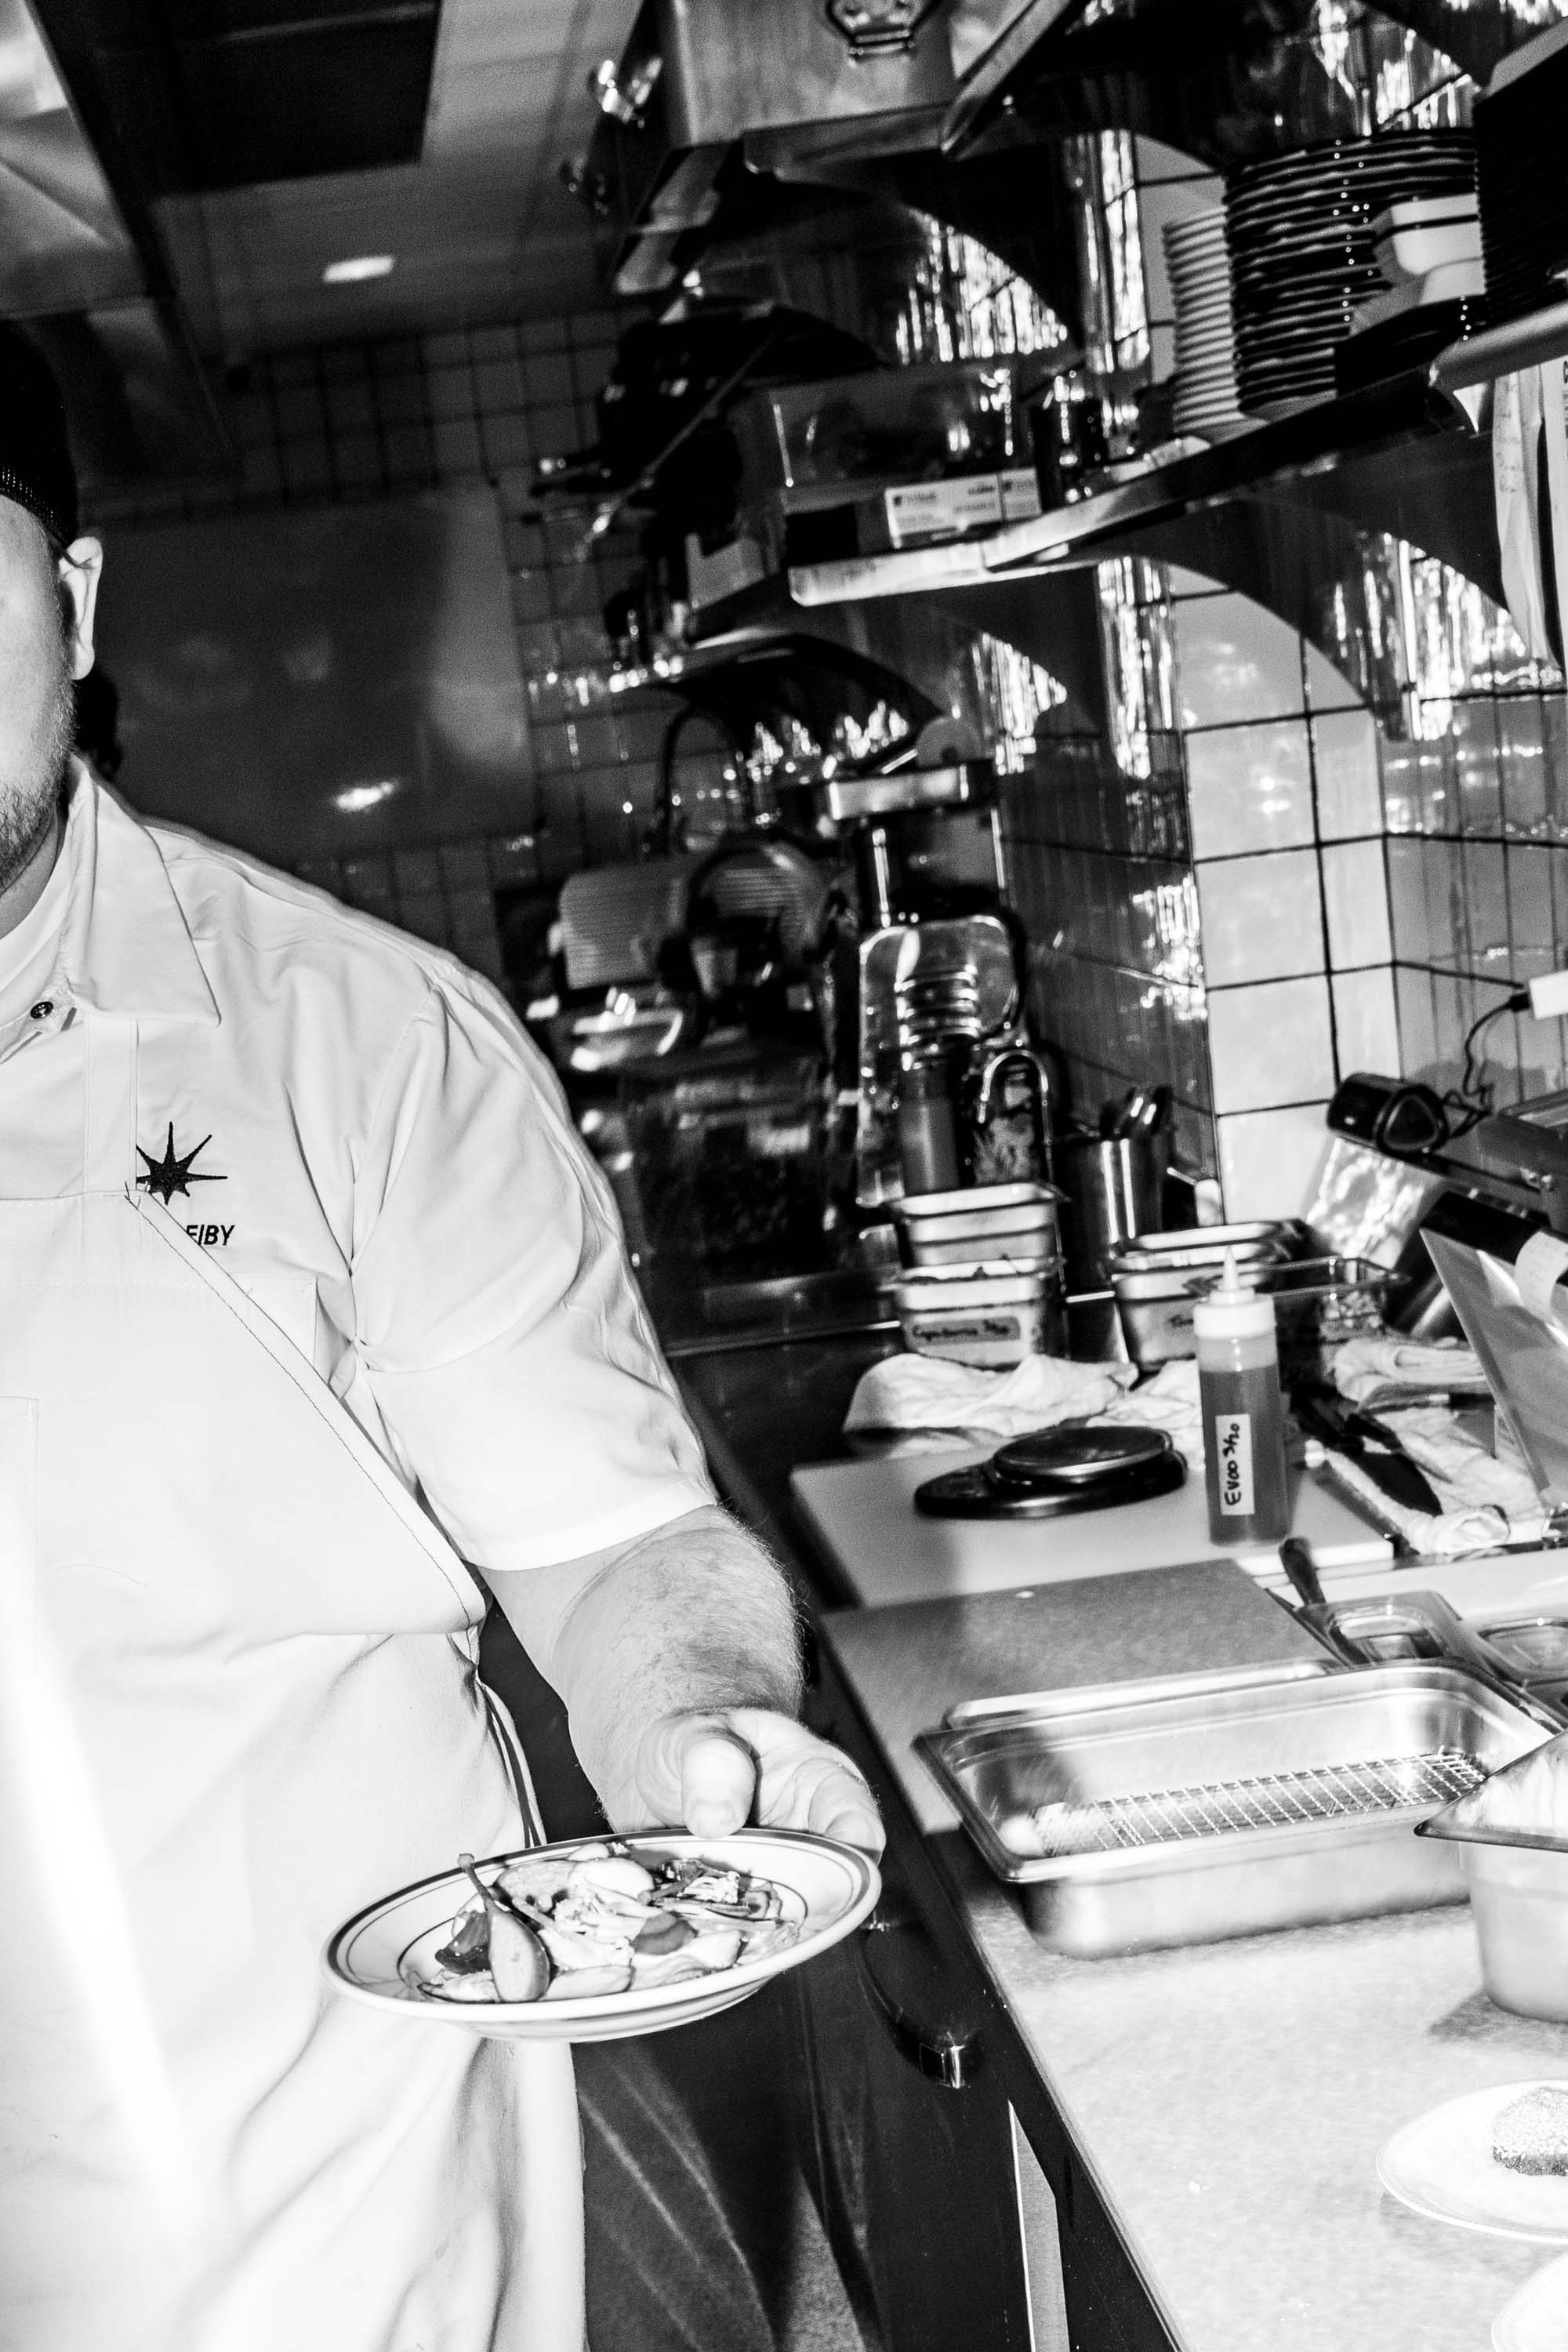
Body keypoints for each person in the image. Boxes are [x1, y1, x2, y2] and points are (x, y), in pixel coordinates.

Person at [0, 325, 881, 2352]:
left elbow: (607, 1547)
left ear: (71, 599)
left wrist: (701, 1737)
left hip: (364, 2238)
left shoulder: (360, 1051)